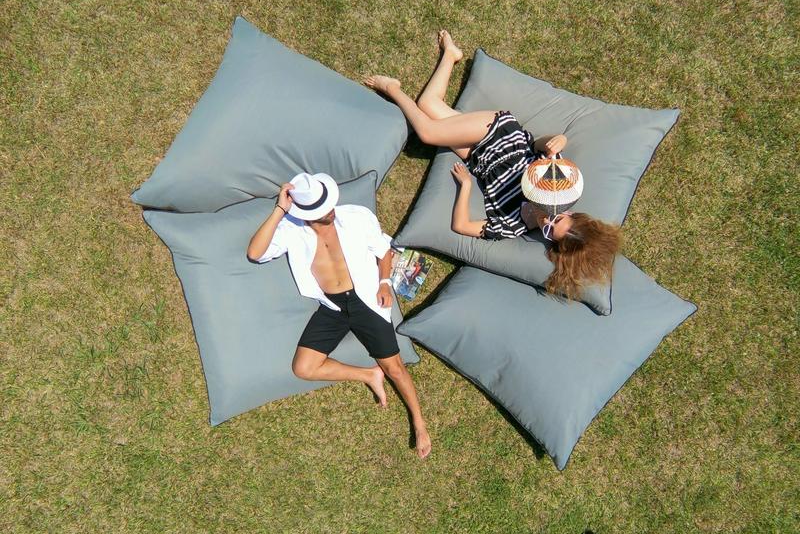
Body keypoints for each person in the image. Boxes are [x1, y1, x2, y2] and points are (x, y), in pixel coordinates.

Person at [365, 31, 621, 301]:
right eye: (557, 218)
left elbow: (462, 226)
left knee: (428, 105)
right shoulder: (554, 186)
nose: (547, 220)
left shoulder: (513, 226)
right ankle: (392, 88)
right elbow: (538, 146)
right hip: (498, 133)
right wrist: (557, 141)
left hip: (477, 157)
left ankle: (451, 55)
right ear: (569, 211)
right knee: (428, 133)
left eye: (548, 230)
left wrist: (465, 186)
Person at [247, 172, 432, 459]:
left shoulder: (355, 216)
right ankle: (369, 375)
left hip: (365, 300)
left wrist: (384, 283)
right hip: (332, 307)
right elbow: (255, 253)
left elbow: (383, 251)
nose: (330, 213)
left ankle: (419, 423)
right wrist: (279, 210)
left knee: (395, 367)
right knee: (304, 368)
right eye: (322, 213)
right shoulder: (290, 230)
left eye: (329, 206)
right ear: (306, 214)